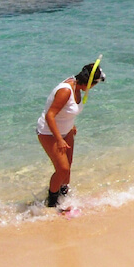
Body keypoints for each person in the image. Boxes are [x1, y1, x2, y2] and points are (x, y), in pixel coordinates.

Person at [36, 61, 105, 208]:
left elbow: (66, 110)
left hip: (66, 131)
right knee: (63, 169)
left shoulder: (77, 88)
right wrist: (59, 139)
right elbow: (50, 115)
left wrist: (70, 125)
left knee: (68, 167)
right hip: (49, 132)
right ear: (89, 82)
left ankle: (64, 197)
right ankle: (52, 203)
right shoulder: (66, 90)